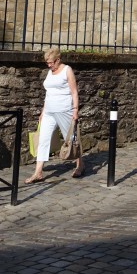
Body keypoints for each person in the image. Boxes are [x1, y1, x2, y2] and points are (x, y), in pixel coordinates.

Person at [26, 47, 83, 183]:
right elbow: (48, 93)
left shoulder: (67, 70)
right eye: (47, 62)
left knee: (71, 139)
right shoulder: (50, 72)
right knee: (43, 140)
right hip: (49, 112)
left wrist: (75, 110)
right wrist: (43, 111)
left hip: (64, 110)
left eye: (51, 62)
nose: (49, 65)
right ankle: (38, 172)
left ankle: (80, 165)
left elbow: (74, 92)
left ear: (58, 60)